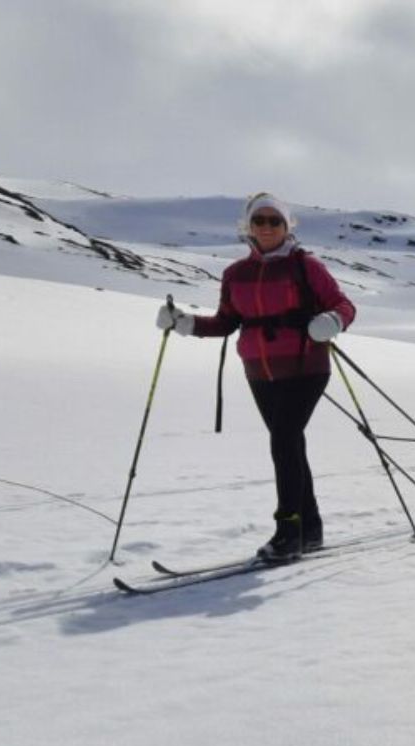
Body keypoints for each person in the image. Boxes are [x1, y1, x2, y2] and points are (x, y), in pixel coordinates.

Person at [157, 192, 356, 561]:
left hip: (306, 367)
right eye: (259, 221)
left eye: (274, 221)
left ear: (287, 226)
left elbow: (343, 305)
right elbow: (225, 322)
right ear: (247, 226)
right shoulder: (236, 274)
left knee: (283, 441)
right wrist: (183, 323)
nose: (266, 227)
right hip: (259, 373)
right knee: (290, 446)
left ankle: (288, 531)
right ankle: (310, 530)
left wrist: (331, 321)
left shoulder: (305, 266)